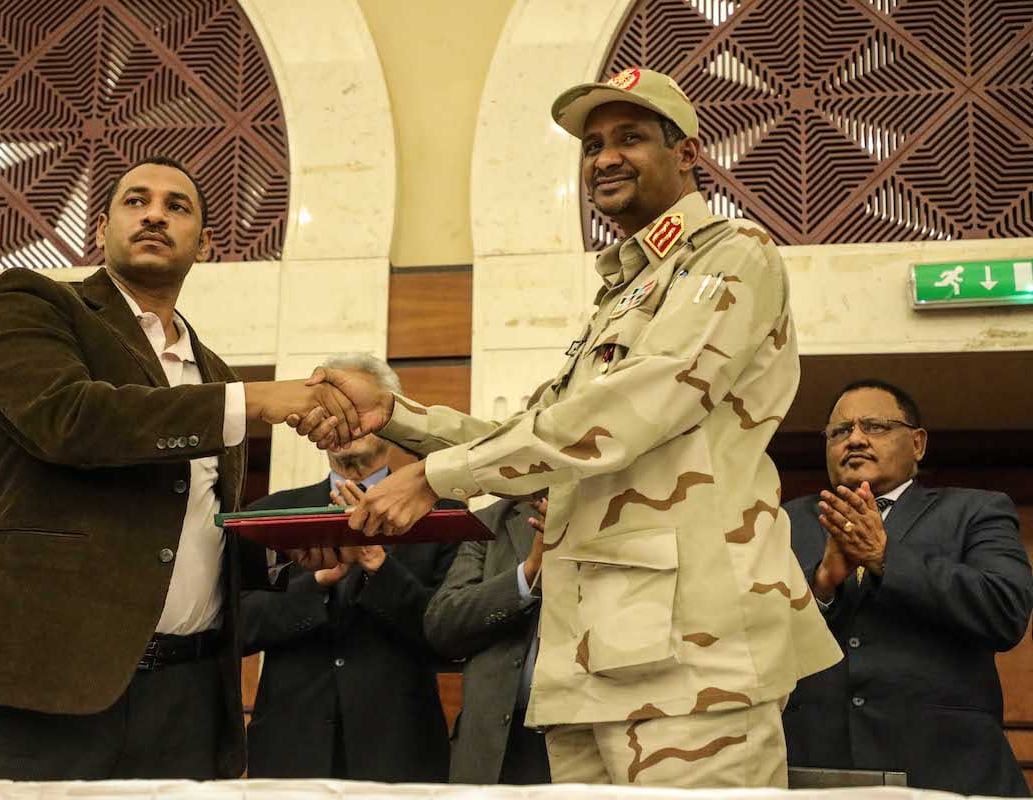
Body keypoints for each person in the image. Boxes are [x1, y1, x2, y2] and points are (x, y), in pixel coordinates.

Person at [301, 67, 842, 788]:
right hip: (596, 649)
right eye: (591, 145)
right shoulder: (624, 291)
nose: (605, 157)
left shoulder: (731, 255)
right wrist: (399, 418)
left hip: (693, 653)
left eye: (630, 137)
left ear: (688, 153)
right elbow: (540, 429)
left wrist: (437, 478)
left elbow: (629, 408)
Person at [0, 156, 363, 783]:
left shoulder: (211, 371)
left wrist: (286, 550)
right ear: (103, 227)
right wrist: (256, 399)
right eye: (136, 201)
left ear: (205, 245)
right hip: (31, 685)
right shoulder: (33, 304)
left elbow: (188, 527)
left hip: (185, 701)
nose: (156, 215)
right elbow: (68, 420)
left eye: (178, 206)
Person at [783, 379, 1033, 796]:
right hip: (815, 770)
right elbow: (751, 640)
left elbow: (1005, 611)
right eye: (840, 431)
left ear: (917, 443)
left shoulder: (976, 510)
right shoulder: (785, 523)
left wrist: (886, 558)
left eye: (876, 426)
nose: (856, 439)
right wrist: (822, 587)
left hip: (948, 769)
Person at [239, 354, 458, 782]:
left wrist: (378, 565)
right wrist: (317, 582)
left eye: (353, 409)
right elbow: (238, 627)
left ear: (390, 415)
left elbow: (449, 638)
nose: (340, 423)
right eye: (326, 411)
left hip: (401, 751)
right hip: (289, 750)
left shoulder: (441, 515)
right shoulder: (272, 514)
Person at [424, 496, 551, 784]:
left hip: (589, 730)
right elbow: (442, 625)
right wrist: (527, 573)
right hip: (498, 741)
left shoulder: (619, 507)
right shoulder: (490, 521)